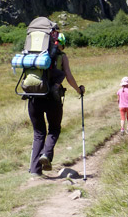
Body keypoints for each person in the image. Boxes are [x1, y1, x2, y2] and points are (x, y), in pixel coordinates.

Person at [28, 25, 85, 175]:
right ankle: (46, 154)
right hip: (53, 98)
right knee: (54, 128)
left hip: (33, 97)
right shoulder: (62, 56)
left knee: (39, 133)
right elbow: (69, 76)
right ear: (61, 44)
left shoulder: (34, 55)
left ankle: (35, 171)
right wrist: (79, 90)